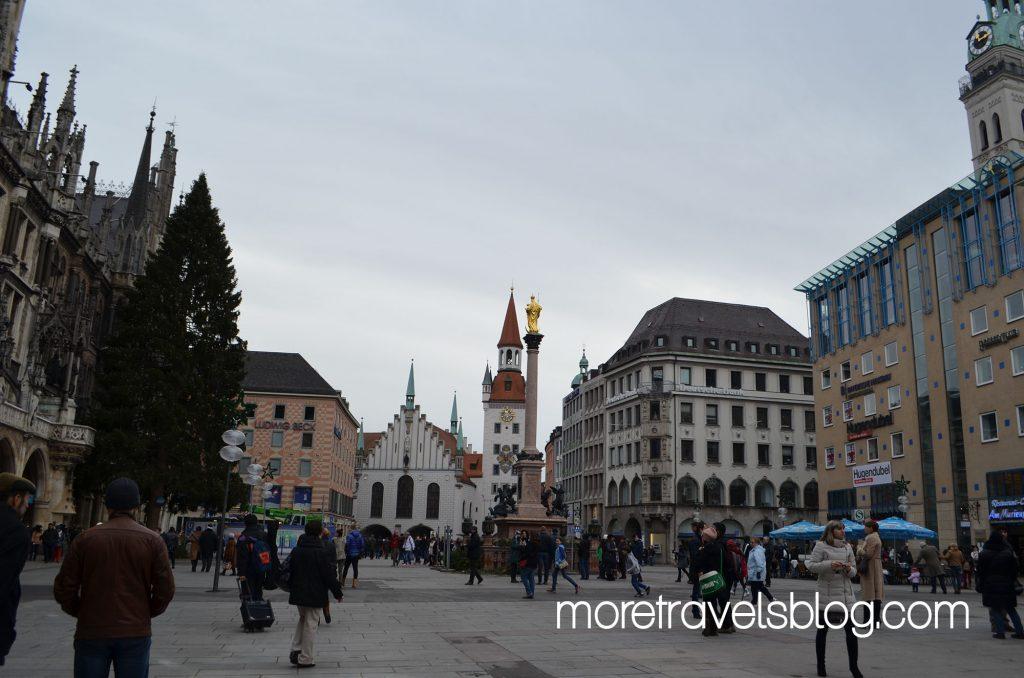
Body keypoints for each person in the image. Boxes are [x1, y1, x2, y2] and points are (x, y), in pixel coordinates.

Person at [54, 477, 175, 677]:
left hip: (92, 629)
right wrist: (145, 612)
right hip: (135, 631)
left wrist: (82, 611)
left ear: (107, 505)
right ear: (136, 506)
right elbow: (166, 589)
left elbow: (64, 587)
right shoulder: (152, 540)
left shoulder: (85, 539)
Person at [806, 520, 862, 678]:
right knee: (822, 631)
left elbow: (854, 571)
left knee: (851, 633)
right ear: (831, 531)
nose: (843, 531)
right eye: (839, 528)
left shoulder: (847, 546)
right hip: (827, 595)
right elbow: (811, 565)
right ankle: (821, 666)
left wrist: (848, 569)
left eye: (843, 528)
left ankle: (854, 667)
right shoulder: (821, 545)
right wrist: (829, 565)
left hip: (846, 596)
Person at [287, 520, 344, 668]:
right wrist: (337, 593)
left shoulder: (297, 550)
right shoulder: (321, 552)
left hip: (298, 592)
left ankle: (296, 649)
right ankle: (305, 657)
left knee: (303, 619)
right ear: (319, 533)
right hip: (315, 593)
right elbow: (329, 575)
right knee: (311, 624)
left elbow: (290, 571)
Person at [0, 473, 34, 667]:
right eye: (26, 498)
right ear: (16, 498)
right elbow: (4, 579)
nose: (28, 504)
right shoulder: (15, 530)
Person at [977, 529, 1024, 640]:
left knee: (995, 609)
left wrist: (981, 584)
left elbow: (981, 571)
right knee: (1011, 609)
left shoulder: (984, 553)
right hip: (1007, 583)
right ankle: (1020, 632)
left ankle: (1000, 632)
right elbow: (1015, 569)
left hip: (991, 584)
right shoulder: (1007, 552)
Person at [236, 514, 269, 601]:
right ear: (256, 522)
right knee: (258, 592)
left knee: (247, 594)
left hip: (248, 570)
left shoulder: (243, 537)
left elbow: (242, 557)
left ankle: (250, 612)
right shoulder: (264, 535)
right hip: (261, 568)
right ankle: (259, 610)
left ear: (245, 523)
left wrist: (241, 572)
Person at [857, 519, 884, 625]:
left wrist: (859, 550)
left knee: (869, 594)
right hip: (875, 566)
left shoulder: (871, 537)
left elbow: (868, 554)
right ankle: (876, 620)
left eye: (865, 527)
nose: (864, 529)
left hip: (871, 566)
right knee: (876, 594)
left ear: (870, 528)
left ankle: (867, 621)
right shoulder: (876, 536)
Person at [747, 537, 774, 605]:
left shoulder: (757, 551)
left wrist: (758, 571)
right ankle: (769, 598)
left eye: (753, 542)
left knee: (757, 587)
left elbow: (759, 562)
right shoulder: (756, 550)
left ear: (756, 543)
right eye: (751, 542)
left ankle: (755, 601)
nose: (751, 543)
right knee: (758, 587)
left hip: (756, 572)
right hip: (755, 571)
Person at [519, 531, 539, 599]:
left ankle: (529, 592)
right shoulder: (538, 543)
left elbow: (527, 553)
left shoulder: (530, 543)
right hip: (534, 563)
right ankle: (532, 593)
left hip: (528, 562)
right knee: (531, 578)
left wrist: (522, 547)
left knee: (523, 577)